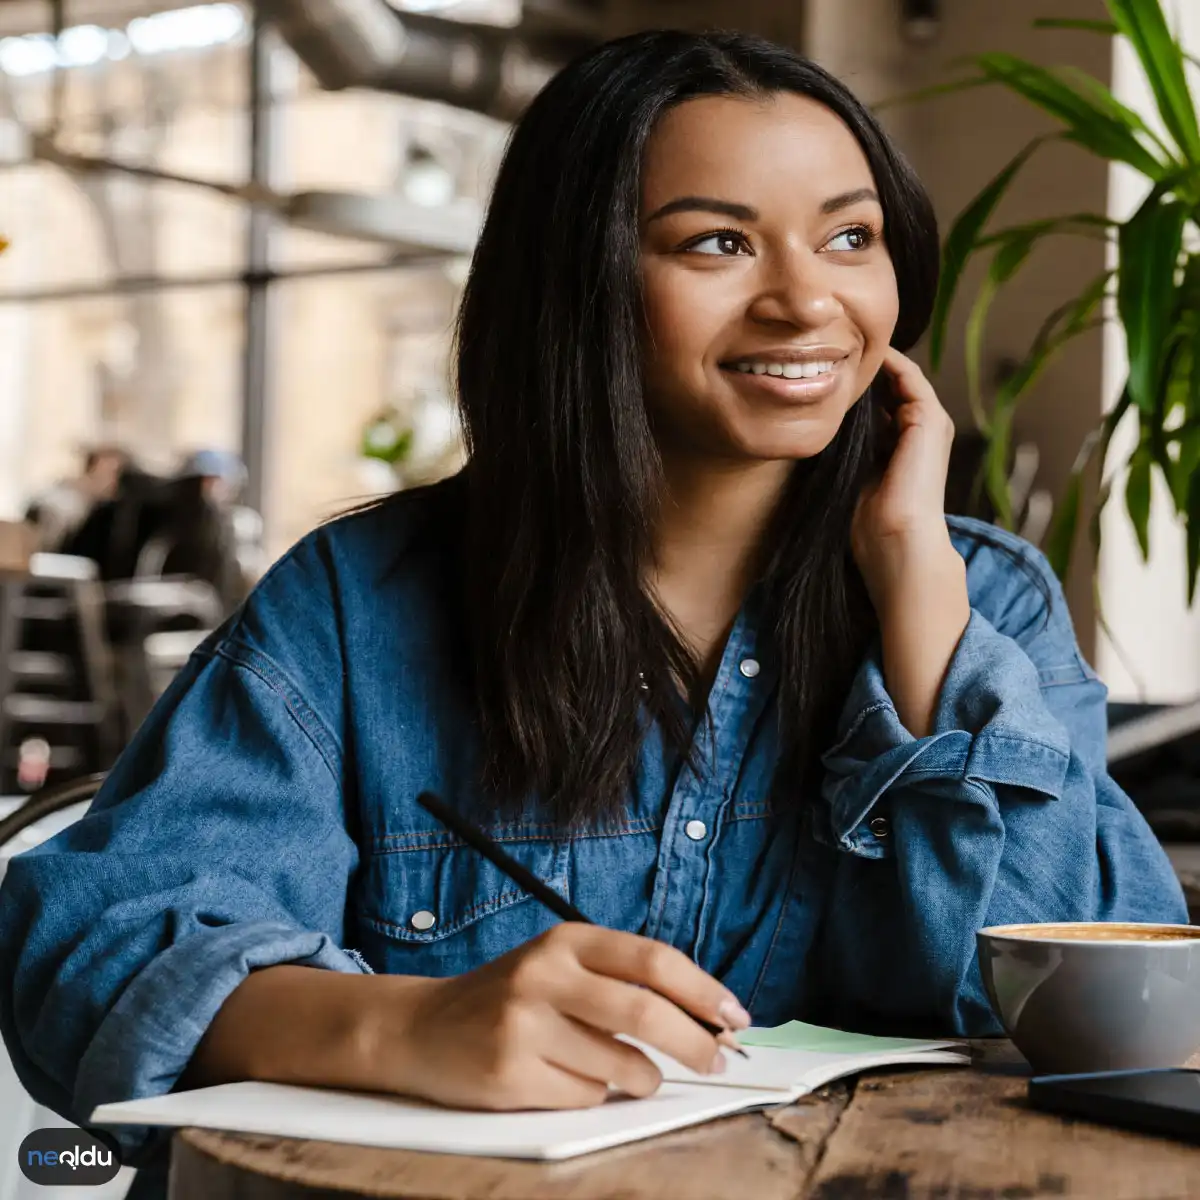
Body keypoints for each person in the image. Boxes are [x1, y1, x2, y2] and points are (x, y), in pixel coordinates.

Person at [0, 30, 1186, 1199]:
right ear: (581, 281)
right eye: (718, 241)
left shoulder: (989, 604)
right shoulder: (359, 606)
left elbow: (1106, 1020)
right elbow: (86, 953)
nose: (807, 299)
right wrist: (398, 1028)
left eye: (850, 236)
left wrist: (919, 604)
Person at [23, 444, 127, 552]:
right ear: (92, 468)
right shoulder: (61, 502)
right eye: (111, 472)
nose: (114, 482)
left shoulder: (106, 511)